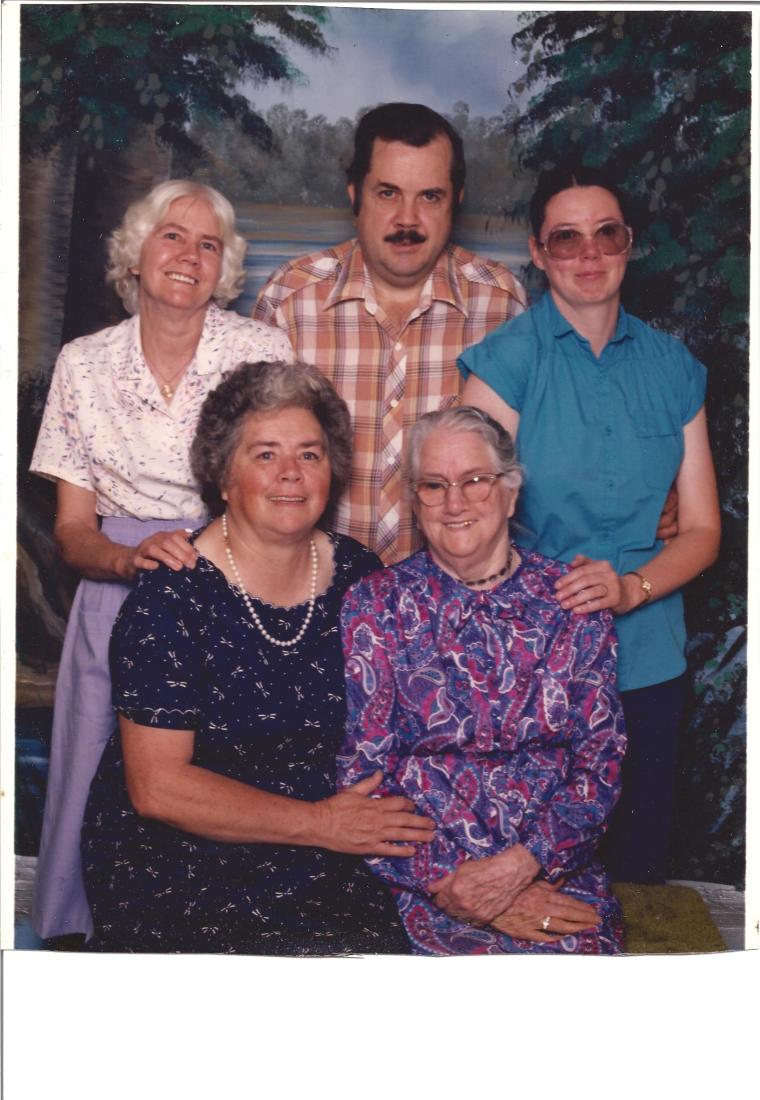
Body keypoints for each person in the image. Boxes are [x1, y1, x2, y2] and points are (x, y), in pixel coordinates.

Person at [81, 360, 432, 954]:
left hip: (332, 853)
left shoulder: (362, 578)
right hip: (183, 863)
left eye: (310, 454)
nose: (291, 475)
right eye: (265, 455)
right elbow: (158, 788)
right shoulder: (172, 593)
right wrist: (321, 823)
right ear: (223, 476)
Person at [30, 180, 293, 941]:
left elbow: (283, 484)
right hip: (116, 590)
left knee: (213, 782)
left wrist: (211, 553)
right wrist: (127, 560)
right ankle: (75, 940)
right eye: (172, 236)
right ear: (136, 255)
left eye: (209, 245)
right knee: (89, 778)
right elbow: (73, 530)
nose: (189, 256)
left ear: (225, 269)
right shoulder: (82, 364)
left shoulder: (261, 352)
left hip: (232, 586)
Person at [459, 166, 721, 883]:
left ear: (629, 243)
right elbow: (463, 522)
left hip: (648, 661)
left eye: (606, 234)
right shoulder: (507, 362)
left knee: (635, 874)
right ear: (538, 255)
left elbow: (701, 530)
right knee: (531, 883)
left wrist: (633, 588)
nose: (588, 254)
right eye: (565, 239)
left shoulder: (673, 367)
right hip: (530, 668)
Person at [338, 407, 626, 955]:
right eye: (434, 485)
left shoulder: (574, 601)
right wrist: (449, 884)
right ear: (416, 504)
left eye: (475, 480)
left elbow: (601, 763)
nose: (455, 502)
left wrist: (522, 868)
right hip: (424, 874)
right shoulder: (374, 605)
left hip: (551, 867)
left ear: (510, 494)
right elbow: (364, 773)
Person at [253, 102, 528, 564]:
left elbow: (539, 451)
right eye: (387, 193)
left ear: (455, 201)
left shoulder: (501, 304)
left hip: (450, 600)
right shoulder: (290, 299)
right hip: (313, 595)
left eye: (429, 197)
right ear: (354, 194)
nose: (407, 219)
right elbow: (248, 455)